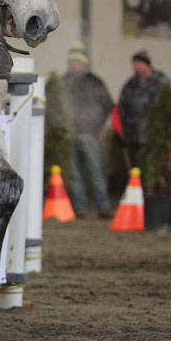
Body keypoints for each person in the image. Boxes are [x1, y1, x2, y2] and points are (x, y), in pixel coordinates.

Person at [62, 43, 114, 218]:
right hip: (70, 134)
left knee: (96, 171)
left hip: (90, 134)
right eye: (72, 61)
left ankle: (103, 206)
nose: (74, 64)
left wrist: (96, 126)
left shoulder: (95, 82)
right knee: (75, 174)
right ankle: (79, 208)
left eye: (78, 61)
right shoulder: (63, 82)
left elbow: (108, 105)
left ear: (84, 63)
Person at [117, 49, 171, 168]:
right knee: (136, 170)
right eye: (134, 64)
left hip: (154, 137)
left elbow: (169, 107)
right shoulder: (130, 84)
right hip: (133, 136)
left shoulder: (161, 82)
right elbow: (122, 106)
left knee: (153, 168)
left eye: (138, 63)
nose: (135, 67)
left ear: (147, 64)